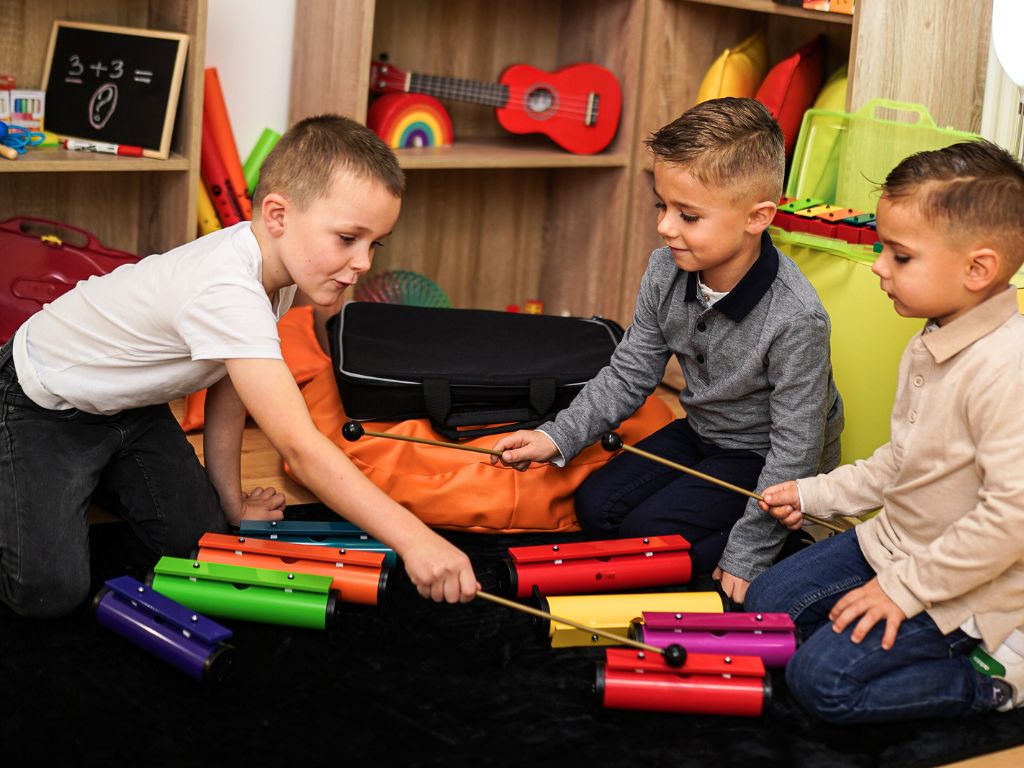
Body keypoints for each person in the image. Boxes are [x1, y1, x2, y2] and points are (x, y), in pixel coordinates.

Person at [0, 114, 478, 618]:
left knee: (197, 546)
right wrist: (415, 539)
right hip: (40, 401)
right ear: (277, 215)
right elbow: (301, 446)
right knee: (48, 593)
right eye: (347, 239)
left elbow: (232, 385)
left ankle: (79, 483)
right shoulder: (228, 289)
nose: (364, 263)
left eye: (373, 244)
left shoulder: (281, 272)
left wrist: (232, 501)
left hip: (129, 409)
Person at [491, 97, 843, 602]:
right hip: (702, 432)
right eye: (662, 205)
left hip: (765, 456)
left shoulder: (796, 319)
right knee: (595, 507)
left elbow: (796, 449)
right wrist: (557, 436)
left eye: (688, 215)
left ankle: (783, 542)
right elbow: (630, 373)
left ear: (757, 217)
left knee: (645, 540)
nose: (664, 227)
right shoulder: (665, 270)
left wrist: (748, 552)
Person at [746, 139, 1024, 722]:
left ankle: (994, 681)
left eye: (899, 256)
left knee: (820, 683)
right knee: (766, 606)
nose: (878, 267)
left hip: (969, 584)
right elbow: (902, 462)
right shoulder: (932, 337)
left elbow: (1010, 522)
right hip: (893, 543)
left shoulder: (1007, 370)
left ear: (978, 269)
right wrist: (811, 493)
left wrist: (902, 591)